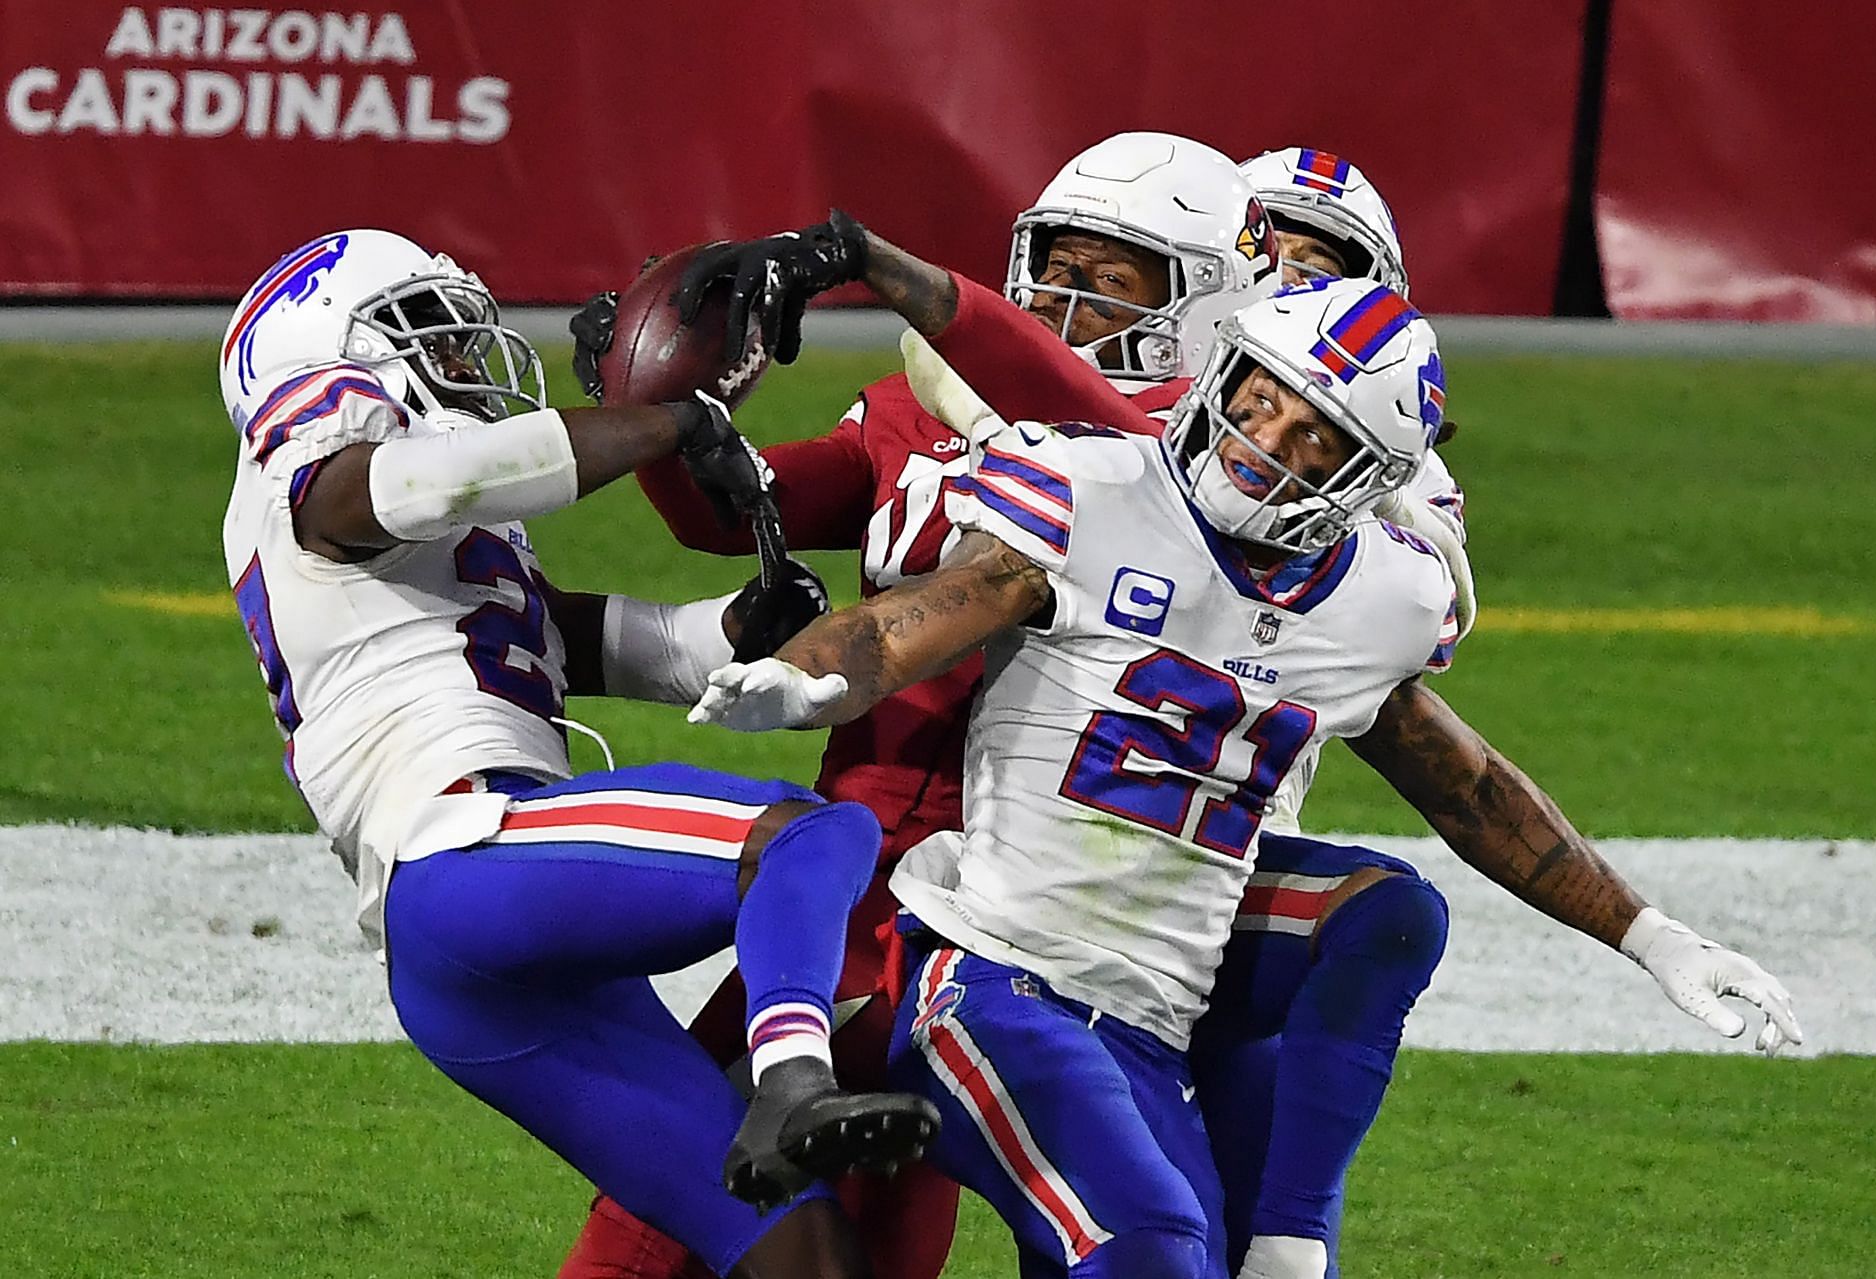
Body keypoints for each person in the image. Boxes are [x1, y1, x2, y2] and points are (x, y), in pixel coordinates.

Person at [674, 211, 1804, 1279]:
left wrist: (1653, 937)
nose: (1268, 441)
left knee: (1382, 927)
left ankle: (1288, 1240)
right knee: (1150, 1246)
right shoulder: (1091, 485)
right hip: (993, 975)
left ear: (1364, 482)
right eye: (1263, 400)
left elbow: (1468, 787)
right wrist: (801, 678)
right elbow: (920, 614)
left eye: (1315, 437)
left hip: (1155, 1010)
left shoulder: (1376, 598)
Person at [557, 131, 1285, 1279]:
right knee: (837, 1196)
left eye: (1115, 276)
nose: (1067, 296)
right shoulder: (923, 405)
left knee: (693, 1188)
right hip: (861, 853)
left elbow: (1095, 423)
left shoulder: (1183, 468)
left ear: (1203, 301)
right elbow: (743, 508)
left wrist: (887, 268)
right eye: (1056, 262)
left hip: (1005, 888)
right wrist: (667, 411)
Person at [218, 228, 936, 1279]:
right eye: (427, 328)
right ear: (330, 355)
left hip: (483, 956)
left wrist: (734, 629)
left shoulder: (424, 528)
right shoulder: (316, 451)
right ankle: (791, 1081)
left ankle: (787, 1116)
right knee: (809, 837)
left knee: (804, 1252)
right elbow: (409, 487)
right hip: (465, 851)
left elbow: (563, 641)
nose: (466, 355)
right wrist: (662, 423)